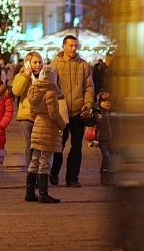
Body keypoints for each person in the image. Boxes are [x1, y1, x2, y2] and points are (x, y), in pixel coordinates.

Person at [49, 34, 95, 187]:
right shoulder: (54, 66)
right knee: (58, 145)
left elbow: (89, 87)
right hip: (61, 113)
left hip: (77, 112)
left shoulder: (83, 65)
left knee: (76, 146)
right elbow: (50, 88)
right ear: (63, 46)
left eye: (75, 45)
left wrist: (87, 104)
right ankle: (53, 173)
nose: (73, 48)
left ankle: (72, 178)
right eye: (70, 45)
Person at [27, 65, 66, 203]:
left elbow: (32, 113)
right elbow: (54, 114)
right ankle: (43, 194)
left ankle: (30, 193)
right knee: (46, 162)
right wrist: (62, 124)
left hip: (37, 126)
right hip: (48, 128)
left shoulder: (33, 90)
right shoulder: (50, 92)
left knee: (35, 160)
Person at [12, 52, 45, 177]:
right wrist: (26, 74)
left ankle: (39, 172)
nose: (38, 65)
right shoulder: (21, 76)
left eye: (39, 62)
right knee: (30, 144)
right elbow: (17, 91)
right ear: (28, 63)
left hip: (41, 116)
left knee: (40, 145)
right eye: (35, 62)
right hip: (26, 116)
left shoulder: (45, 76)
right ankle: (31, 173)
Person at [84, 89, 115, 185]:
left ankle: (111, 177)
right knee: (107, 157)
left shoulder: (114, 113)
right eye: (104, 101)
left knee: (112, 158)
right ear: (99, 102)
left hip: (114, 140)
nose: (107, 103)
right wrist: (85, 117)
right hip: (103, 140)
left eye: (108, 101)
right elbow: (89, 123)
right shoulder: (97, 114)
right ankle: (104, 176)